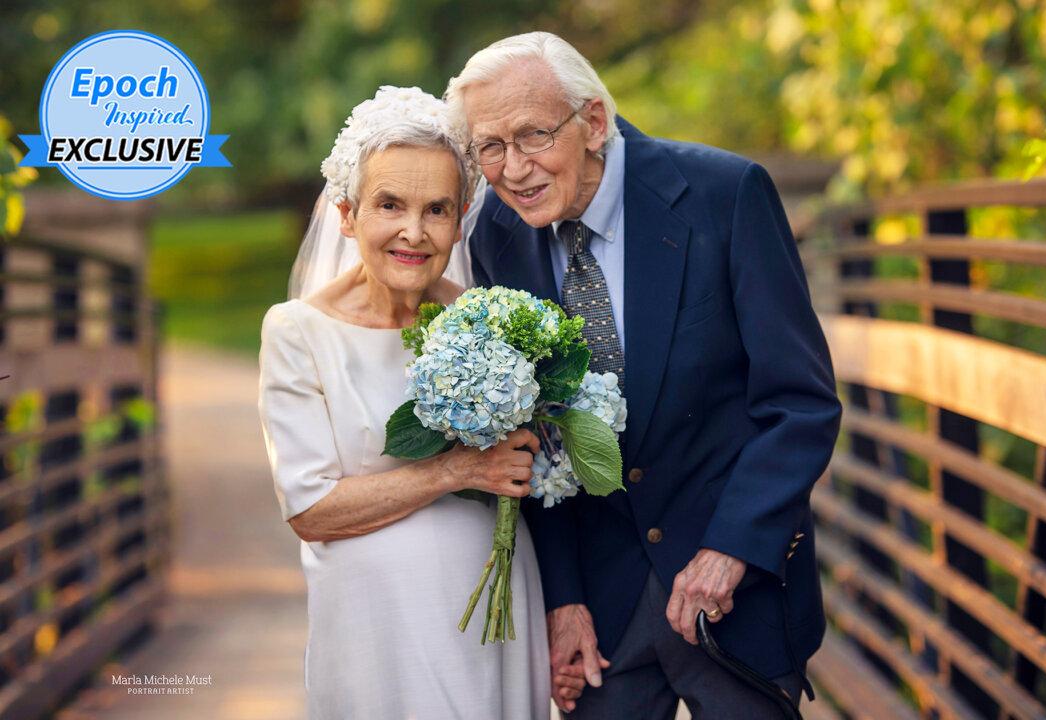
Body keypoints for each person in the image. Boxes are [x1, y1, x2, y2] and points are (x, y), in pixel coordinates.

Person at [446, 32, 843, 719]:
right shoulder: (495, 237)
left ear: (594, 122)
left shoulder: (725, 195)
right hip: (602, 617)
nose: (512, 170)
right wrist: (562, 598)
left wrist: (732, 550)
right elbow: (531, 436)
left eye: (533, 135)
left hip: (733, 597)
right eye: (490, 147)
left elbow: (800, 404)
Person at [257, 86, 550, 720]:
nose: (413, 232)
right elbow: (310, 509)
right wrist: (457, 470)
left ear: (461, 216)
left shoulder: (486, 318)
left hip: (494, 613)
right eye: (389, 204)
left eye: (437, 209)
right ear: (346, 213)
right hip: (374, 628)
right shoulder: (297, 331)